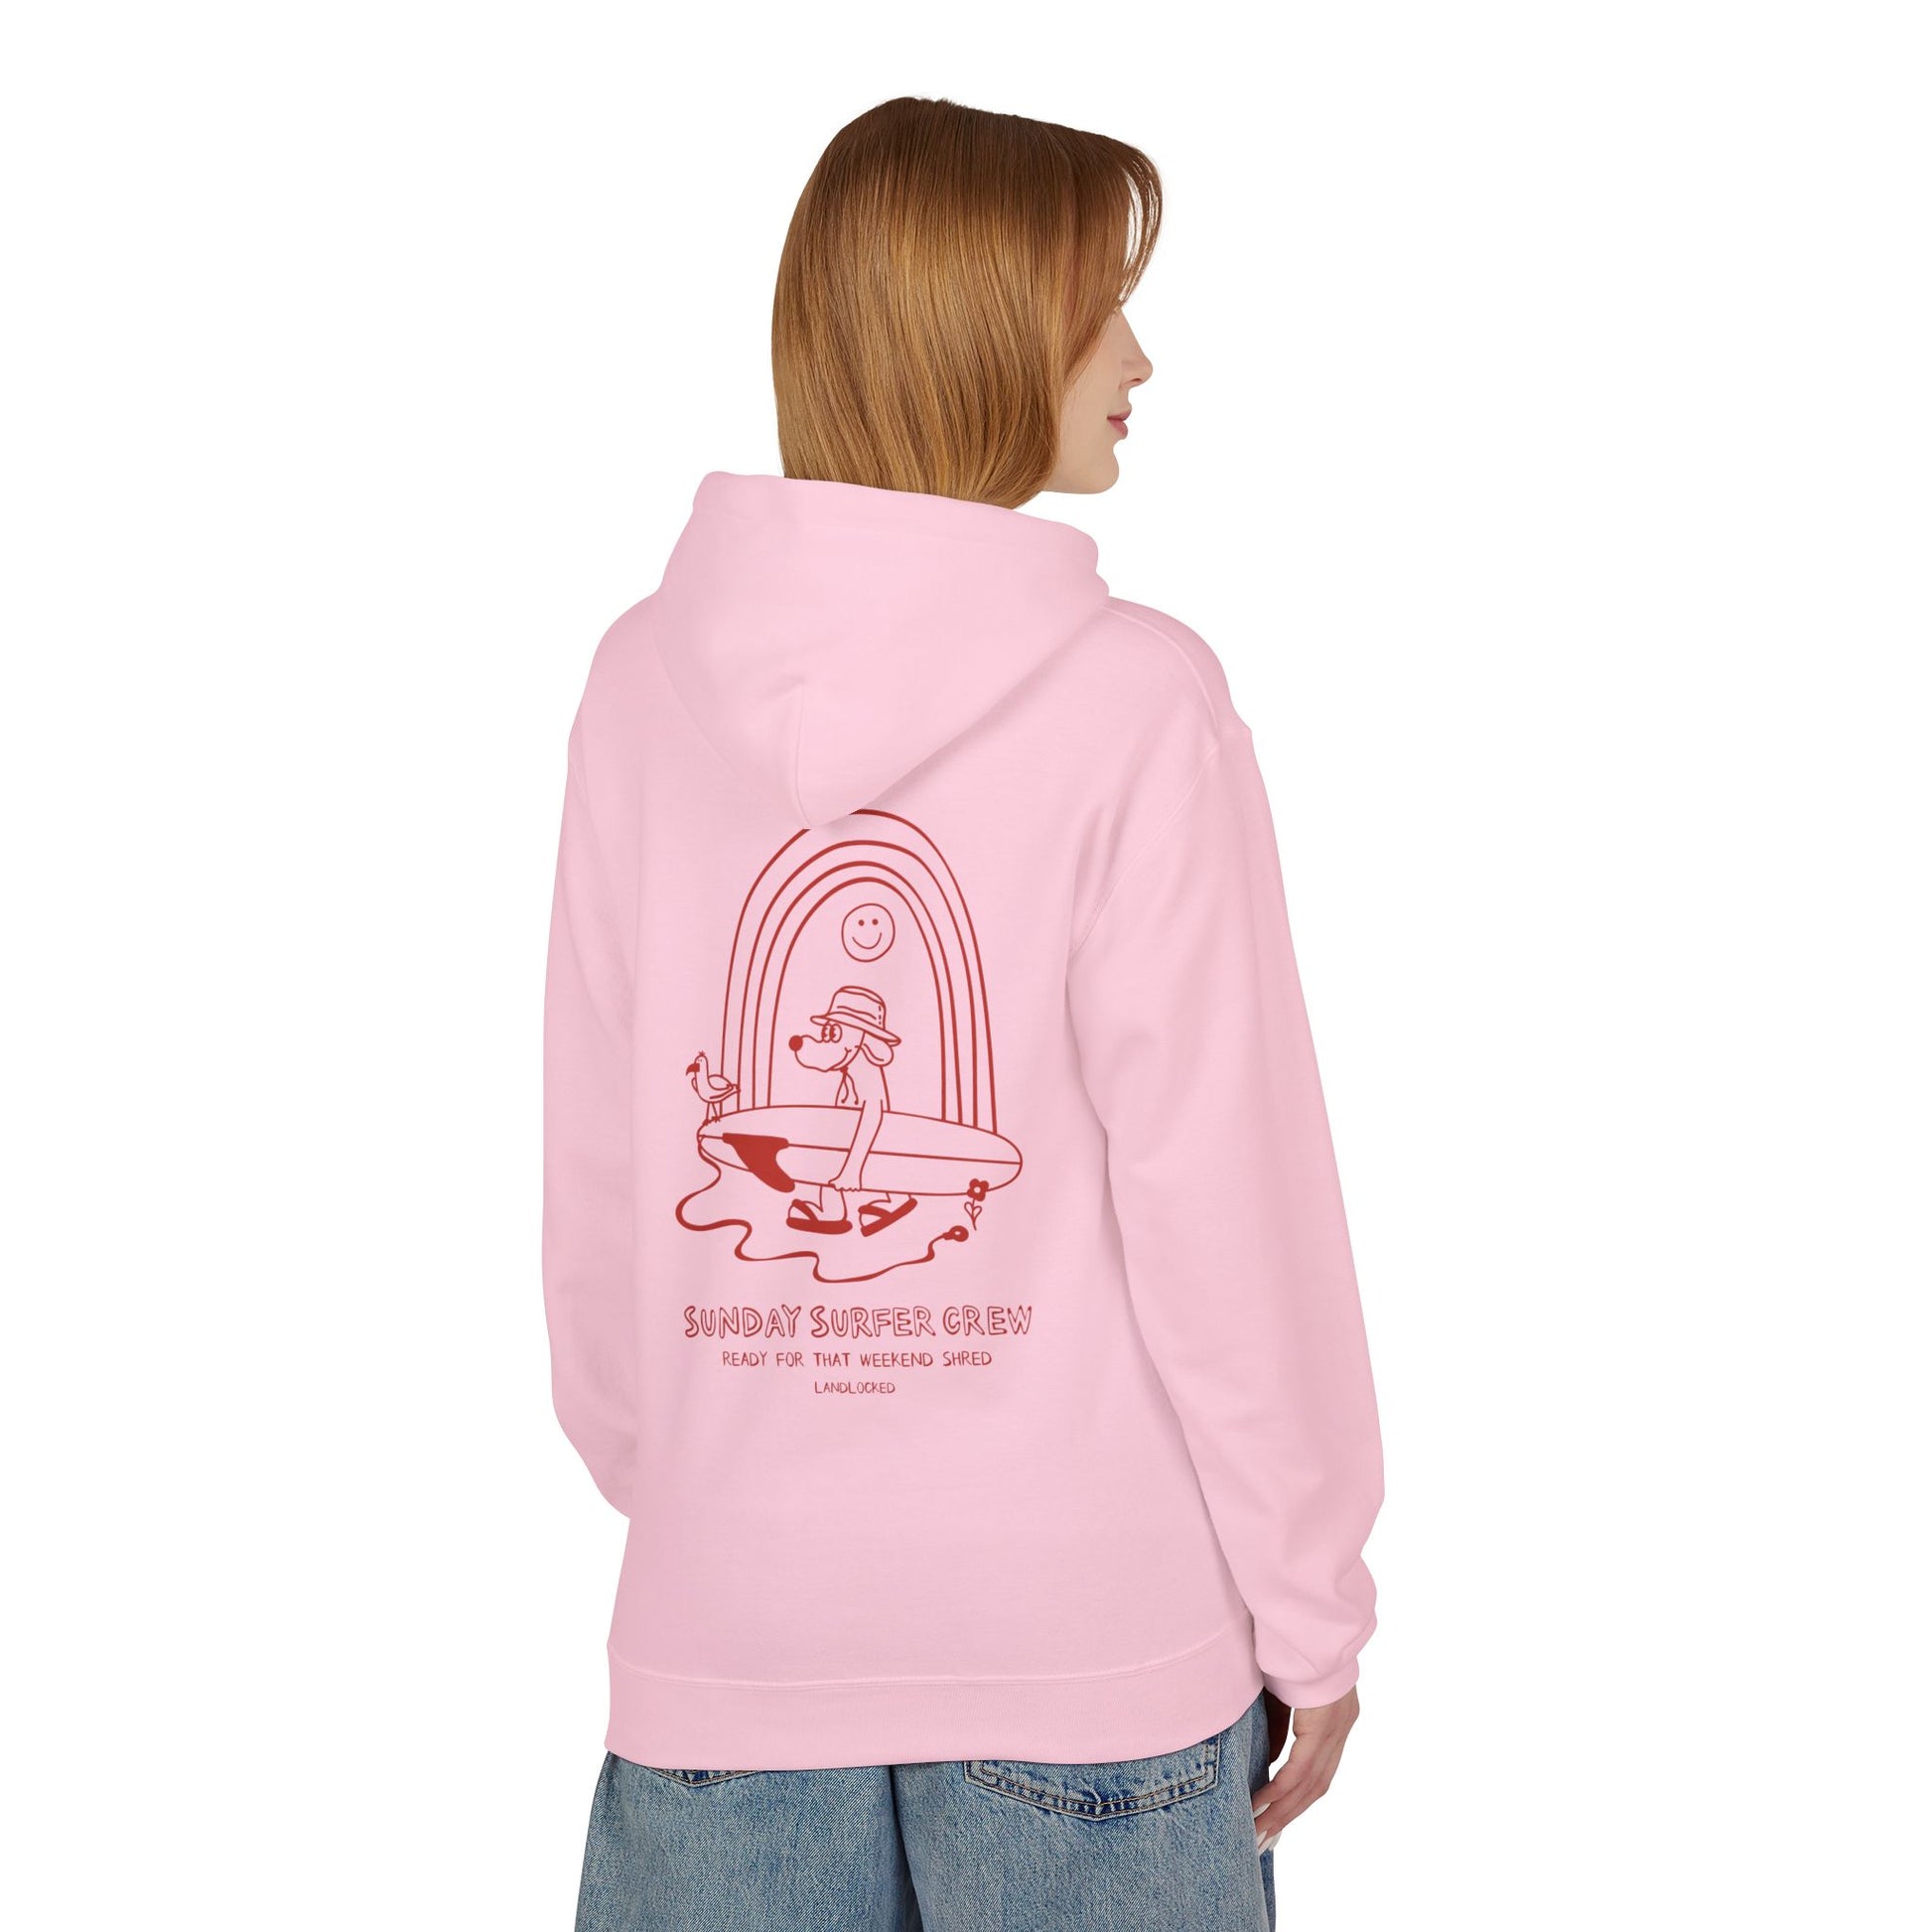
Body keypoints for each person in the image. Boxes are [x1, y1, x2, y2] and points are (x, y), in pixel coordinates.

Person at [544, 94, 1384, 1932]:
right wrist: (1310, 1597)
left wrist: (723, 1500)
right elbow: (1226, 1201)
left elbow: (604, 1173)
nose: (1139, 356)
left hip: (726, 1640)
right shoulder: (1136, 700)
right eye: (1099, 306)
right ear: (984, 331)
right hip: (1088, 1652)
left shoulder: (638, 681)